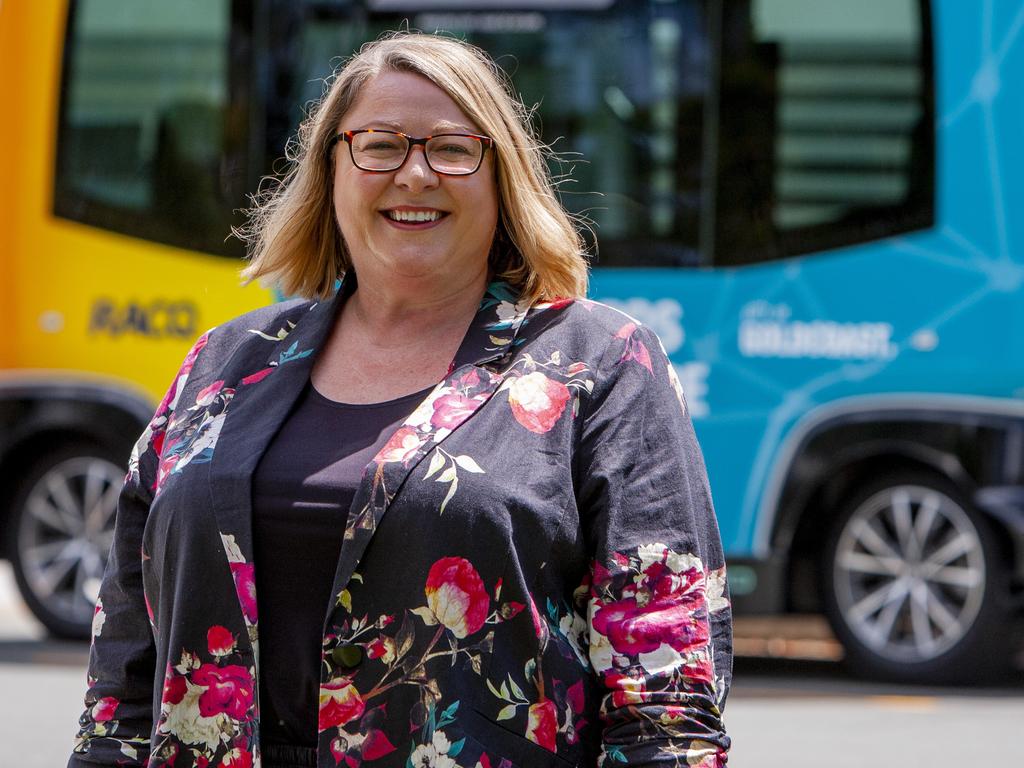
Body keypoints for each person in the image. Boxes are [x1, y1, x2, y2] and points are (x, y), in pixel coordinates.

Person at [69, 31, 732, 768]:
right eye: (379, 145)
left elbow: (666, 699)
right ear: (332, 170)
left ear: (501, 175)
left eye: (452, 148)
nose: (414, 174)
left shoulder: (602, 365)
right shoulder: (226, 361)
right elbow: (123, 667)